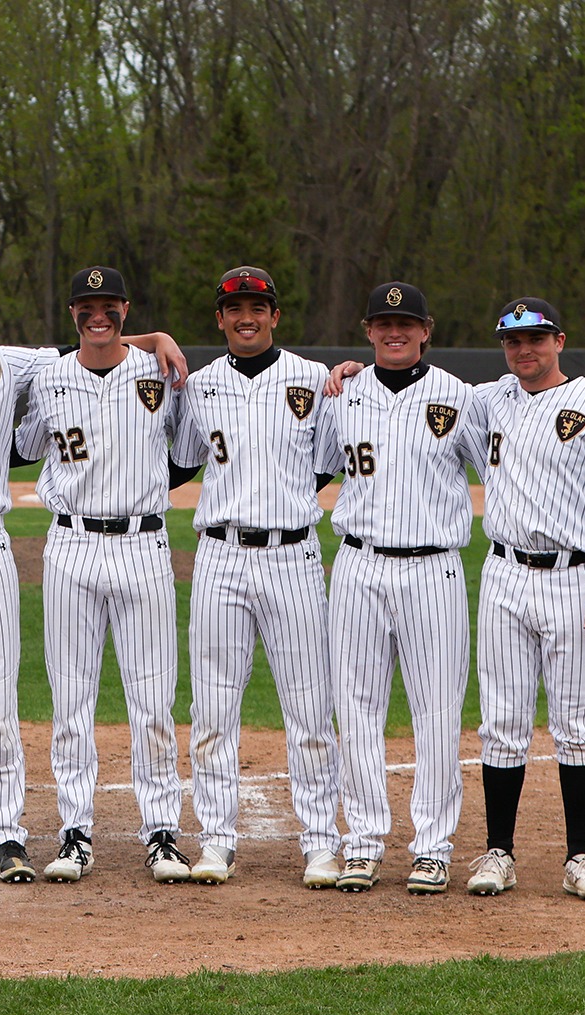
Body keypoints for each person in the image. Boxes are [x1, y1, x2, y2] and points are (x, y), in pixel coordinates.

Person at [15, 266, 198, 885]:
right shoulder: (48, 376)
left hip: (143, 545)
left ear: (126, 307)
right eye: (87, 305)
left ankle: (162, 832)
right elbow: (21, 442)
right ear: (72, 312)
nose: (100, 315)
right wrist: (155, 335)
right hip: (70, 546)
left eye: (110, 305)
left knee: (151, 701)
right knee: (72, 701)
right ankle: (74, 830)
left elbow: (188, 452)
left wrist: (156, 339)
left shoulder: (158, 373)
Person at [172, 265, 342, 887]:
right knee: (213, 706)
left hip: (292, 556)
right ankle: (215, 838)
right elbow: (183, 462)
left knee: (309, 707)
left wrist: (280, 504)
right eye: (234, 308)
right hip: (220, 555)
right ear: (219, 318)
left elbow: (325, 466)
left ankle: (322, 840)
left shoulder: (313, 382)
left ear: (275, 314)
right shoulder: (200, 385)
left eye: (258, 307)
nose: (247, 317)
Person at [317, 282, 487, 895]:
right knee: (355, 707)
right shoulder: (341, 394)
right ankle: (362, 842)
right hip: (358, 567)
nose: (396, 331)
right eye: (384, 322)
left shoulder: (461, 399)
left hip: (432, 570)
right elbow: (310, 465)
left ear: (426, 329)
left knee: (436, 711)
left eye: (406, 322)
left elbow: (502, 460)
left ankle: (432, 847)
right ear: (367, 330)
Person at [466, 297, 585, 902]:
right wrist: (350, 371)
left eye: (535, 339)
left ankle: (579, 857)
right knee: (503, 722)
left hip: (575, 579)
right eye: (512, 342)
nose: (523, 351)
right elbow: (418, 394)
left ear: (559, 340)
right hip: (505, 574)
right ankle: (498, 852)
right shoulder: (489, 401)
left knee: (575, 723)